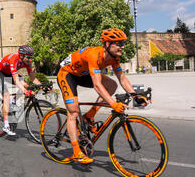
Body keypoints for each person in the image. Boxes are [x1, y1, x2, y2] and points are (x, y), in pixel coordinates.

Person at [57, 28, 149, 164]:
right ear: (107, 44)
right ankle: (77, 152)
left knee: (112, 85)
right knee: (73, 112)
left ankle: (89, 116)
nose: (122, 46)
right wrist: (113, 104)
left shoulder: (114, 58)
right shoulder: (94, 55)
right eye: (118, 43)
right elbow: (97, 86)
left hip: (84, 74)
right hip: (68, 74)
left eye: (123, 43)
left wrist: (135, 96)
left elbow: (122, 78)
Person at [0, 45, 43, 136]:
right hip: (0, 73)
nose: (30, 59)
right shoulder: (14, 60)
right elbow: (17, 81)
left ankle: (13, 102)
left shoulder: (27, 62)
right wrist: (25, 92)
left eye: (31, 57)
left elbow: (32, 78)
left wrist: (43, 86)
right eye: (28, 57)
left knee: (26, 85)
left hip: (9, 74)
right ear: (21, 55)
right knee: (6, 96)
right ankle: (6, 125)